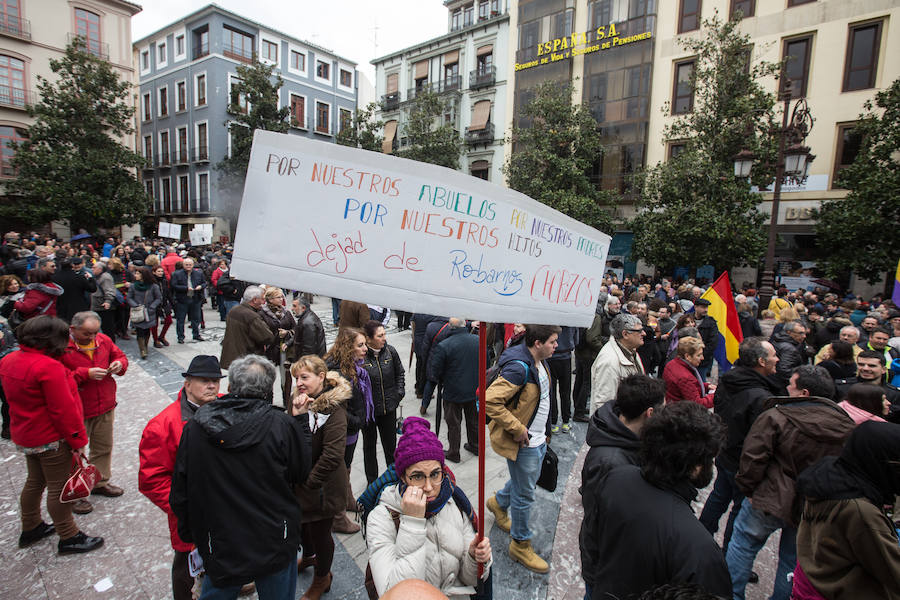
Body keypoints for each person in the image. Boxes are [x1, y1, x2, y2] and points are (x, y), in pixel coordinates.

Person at [170, 354, 313, 600]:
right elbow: (301, 472)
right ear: (268, 389)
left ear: (230, 386)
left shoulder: (196, 427)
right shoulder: (281, 424)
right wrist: (300, 420)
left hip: (222, 541)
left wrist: (193, 535)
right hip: (273, 538)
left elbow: (181, 490)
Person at [726, 365, 855, 600]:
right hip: (813, 504)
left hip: (769, 496)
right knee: (793, 560)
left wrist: (748, 488)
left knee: (743, 545)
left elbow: (753, 457)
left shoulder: (777, 416)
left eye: (791, 384)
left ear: (804, 393)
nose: (786, 387)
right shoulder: (846, 425)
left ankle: (730, 594)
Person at [580, 402, 731, 600]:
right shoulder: (700, 550)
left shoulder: (617, 478)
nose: (711, 466)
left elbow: (591, 537)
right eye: (709, 460)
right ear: (695, 466)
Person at [0, 316, 103, 554]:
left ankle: (31, 525)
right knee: (59, 487)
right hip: (51, 438)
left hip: (26, 433)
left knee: (35, 481)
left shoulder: (10, 359)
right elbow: (62, 409)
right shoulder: (48, 367)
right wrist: (77, 441)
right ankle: (68, 535)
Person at [367, 416, 491, 599]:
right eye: (417, 476)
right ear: (403, 477)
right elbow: (393, 593)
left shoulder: (454, 502)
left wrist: (474, 558)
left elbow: (470, 579)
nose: (428, 487)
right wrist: (412, 523)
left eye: (435, 474)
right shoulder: (381, 517)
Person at [139, 355, 225, 600]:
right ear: (187, 383)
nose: (212, 386)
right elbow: (152, 480)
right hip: (190, 514)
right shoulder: (162, 425)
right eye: (205, 381)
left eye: (216, 381)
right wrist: (184, 507)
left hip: (224, 507)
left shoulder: (224, 406)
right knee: (187, 566)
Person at [793, 421, 900, 600]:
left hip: (813, 577)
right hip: (835, 589)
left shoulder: (833, 476)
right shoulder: (860, 510)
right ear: (882, 461)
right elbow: (892, 569)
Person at [580, 373, 666, 592]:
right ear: (649, 413)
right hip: (606, 565)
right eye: (663, 410)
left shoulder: (629, 442)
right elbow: (603, 522)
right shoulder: (610, 462)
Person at [485, 324, 559, 573]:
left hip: (537, 438)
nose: (556, 346)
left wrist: (545, 431)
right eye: (552, 341)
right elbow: (490, 400)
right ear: (537, 343)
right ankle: (520, 544)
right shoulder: (519, 367)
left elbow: (544, 398)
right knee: (525, 494)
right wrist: (517, 428)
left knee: (524, 482)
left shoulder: (541, 361)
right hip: (524, 442)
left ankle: (498, 503)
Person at [698, 337, 781, 555]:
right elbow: (761, 438)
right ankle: (728, 553)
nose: (777, 359)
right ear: (761, 362)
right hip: (742, 460)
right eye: (773, 355)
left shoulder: (731, 379)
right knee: (737, 507)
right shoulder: (761, 397)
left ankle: (701, 537)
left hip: (726, 450)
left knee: (718, 496)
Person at [290, 355, 353, 600]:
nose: (299, 382)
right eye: (297, 378)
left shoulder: (334, 408)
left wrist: (309, 483)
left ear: (321, 377)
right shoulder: (300, 399)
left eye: (304, 377)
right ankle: (308, 557)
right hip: (303, 481)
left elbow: (333, 455)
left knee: (320, 532)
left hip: (322, 487)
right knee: (303, 524)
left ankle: (322, 577)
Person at [59, 311, 128, 515]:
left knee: (103, 446)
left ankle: (100, 482)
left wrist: (119, 365)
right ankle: (76, 493)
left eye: (95, 333)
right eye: (87, 333)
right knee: (75, 454)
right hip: (77, 407)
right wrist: (84, 374)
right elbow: (59, 378)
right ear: (73, 329)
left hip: (104, 403)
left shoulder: (103, 340)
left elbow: (120, 356)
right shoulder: (63, 347)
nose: (92, 337)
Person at [324, 327, 369, 534]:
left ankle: (348, 500)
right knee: (338, 472)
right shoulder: (335, 373)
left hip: (351, 429)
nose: (365, 349)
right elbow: (334, 406)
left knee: (346, 467)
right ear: (347, 347)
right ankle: (337, 516)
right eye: (360, 345)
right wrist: (356, 420)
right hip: (342, 429)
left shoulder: (354, 366)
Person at [425, 318, 476, 464]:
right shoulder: (477, 340)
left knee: (453, 422)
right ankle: (475, 445)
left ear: (450, 327)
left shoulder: (444, 346)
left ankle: (454, 452)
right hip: (472, 388)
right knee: (472, 419)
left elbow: (435, 372)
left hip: (453, 391)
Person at [361, 319, 405, 480]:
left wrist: (398, 393)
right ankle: (371, 482)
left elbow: (400, 373)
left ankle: (393, 479)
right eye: (380, 335)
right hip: (369, 414)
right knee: (369, 447)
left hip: (388, 409)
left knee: (391, 448)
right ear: (369, 338)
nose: (384, 338)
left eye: (384, 334)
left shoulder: (390, 352)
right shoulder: (361, 357)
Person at [590, 313, 645, 413]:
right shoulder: (609, 361)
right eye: (639, 331)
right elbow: (604, 404)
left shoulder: (630, 350)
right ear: (625, 334)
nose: (644, 333)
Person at [219, 285, 272, 370]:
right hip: (247, 358)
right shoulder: (251, 316)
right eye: (262, 299)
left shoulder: (234, 310)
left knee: (236, 380)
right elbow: (267, 337)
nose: (264, 302)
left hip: (233, 355)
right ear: (254, 300)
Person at [259, 286, 296, 405]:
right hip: (269, 350)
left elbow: (295, 329)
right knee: (268, 377)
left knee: (286, 377)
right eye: (278, 297)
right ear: (270, 299)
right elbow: (261, 333)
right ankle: (268, 402)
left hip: (284, 350)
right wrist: (276, 336)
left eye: (281, 296)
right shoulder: (262, 313)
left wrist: (287, 333)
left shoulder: (286, 312)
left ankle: (286, 401)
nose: (281, 299)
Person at [662, 336, 715, 408]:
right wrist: (715, 395)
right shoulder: (685, 377)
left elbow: (689, 388)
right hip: (681, 414)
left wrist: (706, 386)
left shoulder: (672, 364)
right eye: (699, 355)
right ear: (687, 356)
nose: (702, 358)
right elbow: (698, 405)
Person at [127, 267, 162, 359]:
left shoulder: (153, 286)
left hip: (149, 311)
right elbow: (129, 297)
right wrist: (135, 305)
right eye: (136, 273)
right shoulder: (133, 286)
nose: (136, 275)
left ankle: (145, 346)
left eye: (138, 274)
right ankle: (142, 349)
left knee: (147, 330)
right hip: (138, 311)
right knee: (140, 331)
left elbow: (158, 298)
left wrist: (152, 307)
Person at [547, 326, 576, 433]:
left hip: (551, 356)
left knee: (552, 391)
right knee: (565, 391)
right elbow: (575, 335)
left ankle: (553, 422)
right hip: (565, 356)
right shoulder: (570, 317)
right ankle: (566, 421)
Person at [170, 257, 205, 344]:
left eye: (190, 265)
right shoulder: (176, 274)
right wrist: (186, 288)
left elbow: (204, 283)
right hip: (182, 299)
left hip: (195, 299)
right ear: (183, 265)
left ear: (193, 265)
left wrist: (201, 286)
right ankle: (181, 337)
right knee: (181, 319)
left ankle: (196, 334)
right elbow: (173, 285)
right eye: (186, 265)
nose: (188, 266)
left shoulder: (198, 273)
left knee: (196, 318)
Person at [768, 320, 809, 393]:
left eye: (805, 333)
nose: (804, 336)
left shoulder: (779, 340)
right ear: (789, 332)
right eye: (800, 333)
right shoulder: (789, 349)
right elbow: (784, 370)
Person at [52, 258, 96, 323]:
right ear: (72, 265)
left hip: (60, 306)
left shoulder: (54, 278)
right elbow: (92, 289)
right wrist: (91, 279)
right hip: (78, 307)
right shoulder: (79, 277)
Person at [692, 299, 719, 381]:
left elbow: (713, 342)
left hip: (703, 360)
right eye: (703, 307)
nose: (706, 310)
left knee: (701, 381)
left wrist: (702, 355)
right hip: (687, 358)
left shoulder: (711, 322)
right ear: (696, 307)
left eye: (706, 307)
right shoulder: (687, 319)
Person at [89, 261, 117, 339]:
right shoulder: (97, 276)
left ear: (100, 269)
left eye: (94, 268)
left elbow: (109, 290)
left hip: (104, 307)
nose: (92, 269)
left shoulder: (105, 277)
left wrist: (108, 301)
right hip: (98, 306)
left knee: (108, 329)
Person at [150, 264, 173, 348]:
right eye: (159, 271)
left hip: (164, 304)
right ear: (154, 272)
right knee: (154, 324)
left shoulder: (164, 281)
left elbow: (167, 292)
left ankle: (162, 336)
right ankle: (155, 339)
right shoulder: (151, 282)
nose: (161, 273)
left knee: (169, 320)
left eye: (162, 271)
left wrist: (172, 302)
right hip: (154, 305)